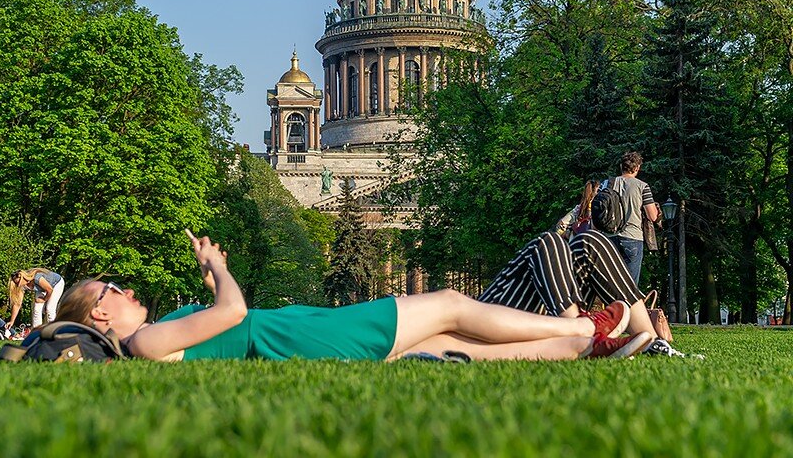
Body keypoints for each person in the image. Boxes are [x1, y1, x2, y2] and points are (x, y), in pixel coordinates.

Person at [54, 230, 653, 363]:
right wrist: (216, 267)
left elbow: (221, 321)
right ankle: (576, 327)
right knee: (445, 302)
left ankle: (583, 350)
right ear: (100, 314)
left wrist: (212, 283)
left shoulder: (149, 340)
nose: (128, 289)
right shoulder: (141, 340)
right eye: (113, 289)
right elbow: (235, 314)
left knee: (450, 342)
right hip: (307, 337)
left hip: (299, 340)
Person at [478, 228, 684, 357]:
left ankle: (652, 344)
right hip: (486, 322)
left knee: (589, 242)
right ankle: (584, 338)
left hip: (530, 321)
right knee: (548, 242)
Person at [603, 152, 660, 284]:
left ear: (621, 166)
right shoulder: (642, 186)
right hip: (633, 237)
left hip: (609, 237)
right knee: (630, 286)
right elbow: (652, 216)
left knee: (611, 284)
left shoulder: (607, 183)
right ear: (637, 168)